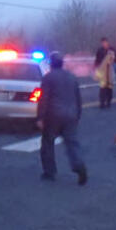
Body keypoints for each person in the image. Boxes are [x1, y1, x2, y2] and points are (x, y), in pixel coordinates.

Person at [38, 51, 87, 185]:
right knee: (72, 143)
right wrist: (77, 115)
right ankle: (78, 166)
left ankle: (50, 172)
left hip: (53, 116)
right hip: (71, 115)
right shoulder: (72, 77)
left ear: (51, 64)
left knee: (48, 143)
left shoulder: (48, 78)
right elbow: (78, 99)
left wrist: (40, 117)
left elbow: (44, 99)